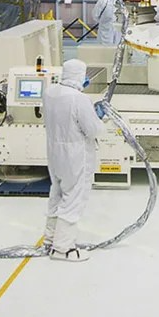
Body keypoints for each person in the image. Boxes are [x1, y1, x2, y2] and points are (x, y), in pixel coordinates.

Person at [42, 58, 105, 262]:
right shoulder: (79, 99)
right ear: (80, 76)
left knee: (57, 194)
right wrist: (98, 116)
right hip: (75, 156)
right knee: (73, 198)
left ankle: (50, 240)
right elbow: (94, 130)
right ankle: (63, 249)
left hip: (54, 153)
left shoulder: (50, 92)